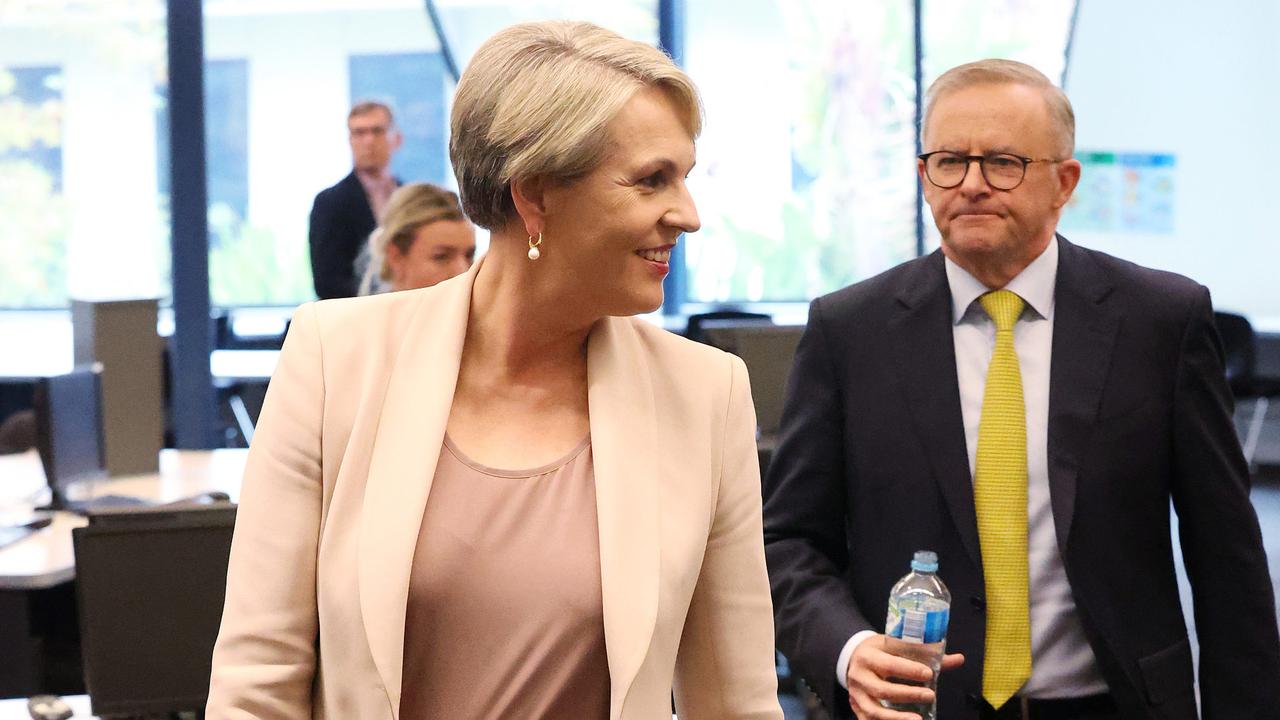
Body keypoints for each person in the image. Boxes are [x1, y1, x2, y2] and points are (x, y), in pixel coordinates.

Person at [208, 20, 783, 720]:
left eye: (684, 179)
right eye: (652, 180)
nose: (686, 216)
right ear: (535, 194)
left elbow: (738, 704)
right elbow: (256, 686)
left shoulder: (705, 395)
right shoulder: (336, 361)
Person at [764, 59, 1280, 720]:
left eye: (1003, 162)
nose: (972, 185)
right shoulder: (850, 330)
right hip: (916, 709)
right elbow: (789, 542)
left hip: (1114, 703)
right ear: (924, 177)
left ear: (1064, 182)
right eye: (950, 161)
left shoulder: (1160, 321)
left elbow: (1225, 553)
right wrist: (849, 648)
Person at [308, 100, 403, 299]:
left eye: (377, 131)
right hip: (356, 317)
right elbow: (327, 282)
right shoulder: (330, 203)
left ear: (396, 139)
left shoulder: (411, 198)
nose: (368, 141)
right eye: (359, 133)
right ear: (350, 140)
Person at [356, 182, 476, 296]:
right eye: (442, 256)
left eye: (469, 256)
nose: (463, 271)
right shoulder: (367, 317)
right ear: (396, 257)